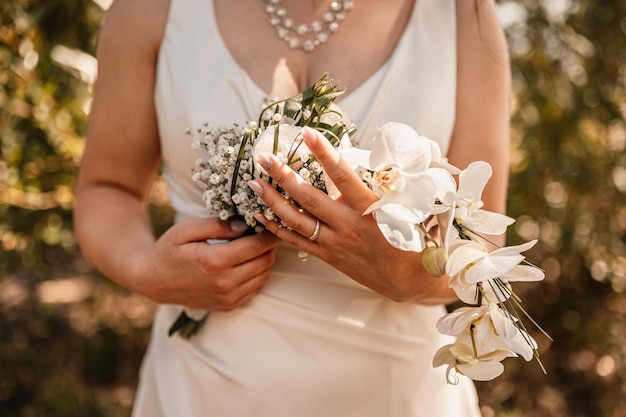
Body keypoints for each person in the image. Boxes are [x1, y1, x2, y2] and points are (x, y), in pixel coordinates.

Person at [74, 0, 511, 415]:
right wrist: (144, 270)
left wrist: (409, 275)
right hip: (201, 387)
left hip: (396, 395)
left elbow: (484, 245)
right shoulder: (151, 10)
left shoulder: (460, 13)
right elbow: (107, 187)